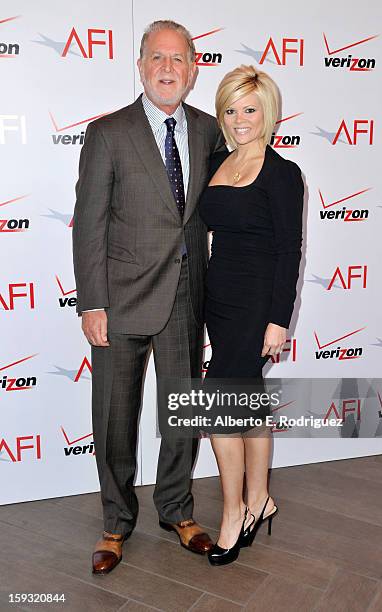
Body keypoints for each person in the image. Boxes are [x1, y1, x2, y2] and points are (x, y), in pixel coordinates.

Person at [72, 20, 225, 575]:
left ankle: (177, 510)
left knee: (181, 414)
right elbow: (88, 224)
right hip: (120, 299)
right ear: (140, 66)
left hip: (187, 295)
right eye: (157, 58)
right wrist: (91, 302)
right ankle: (115, 522)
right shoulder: (108, 132)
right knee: (115, 416)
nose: (167, 68)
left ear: (193, 68)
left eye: (178, 59)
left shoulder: (210, 131)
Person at [198, 65, 304, 565]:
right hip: (218, 300)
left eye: (249, 109)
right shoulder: (218, 160)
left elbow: (290, 250)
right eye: (231, 109)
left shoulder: (282, 173)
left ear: (268, 113)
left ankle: (233, 512)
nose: (239, 119)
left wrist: (278, 319)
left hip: (257, 303)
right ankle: (261, 499)